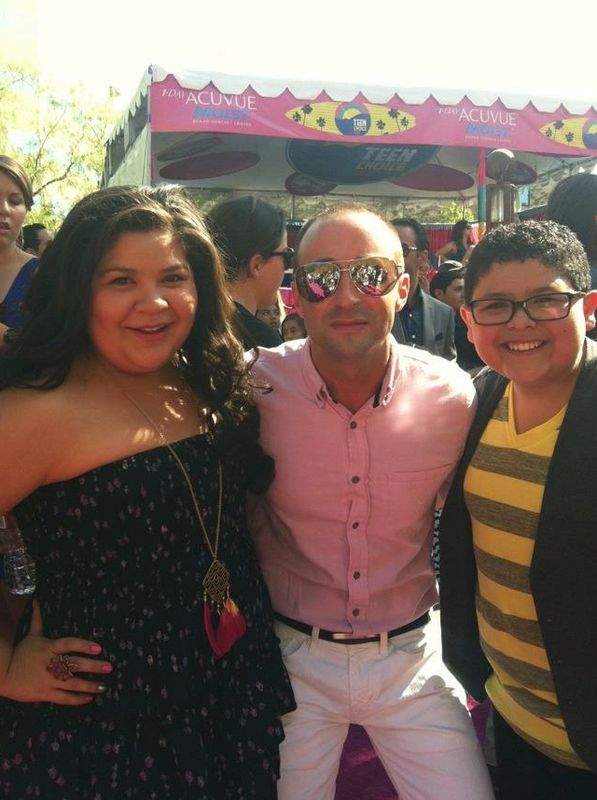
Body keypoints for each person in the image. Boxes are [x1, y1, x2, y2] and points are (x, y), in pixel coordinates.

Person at [0, 185, 294, 798]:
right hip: (108, 724)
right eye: (120, 281)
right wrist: (4, 665)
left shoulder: (206, 377)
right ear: (78, 289)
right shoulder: (35, 412)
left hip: (226, 687)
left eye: (173, 277)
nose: (154, 302)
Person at [248, 205, 494, 799]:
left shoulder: (451, 397)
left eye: (370, 274)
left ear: (403, 288)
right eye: (322, 278)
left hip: (411, 656)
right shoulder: (252, 387)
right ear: (296, 295)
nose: (346, 296)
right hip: (290, 658)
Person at [439, 221, 597, 799]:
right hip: (512, 721)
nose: (521, 323)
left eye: (546, 301)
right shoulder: (477, 401)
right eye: (496, 306)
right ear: (469, 319)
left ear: (589, 306)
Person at [206, 196, 291, 348]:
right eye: (286, 256)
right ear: (256, 265)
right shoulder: (261, 341)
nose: (287, 265)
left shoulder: (189, 322)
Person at [390, 216, 456, 359]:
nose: (392, 257)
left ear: (422, 257)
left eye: (402, 249)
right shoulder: (372, 311)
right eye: (387, 249)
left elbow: (448, 363)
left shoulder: (443, 313)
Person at [0, 156, 39, 346]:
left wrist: (6, 338)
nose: (4, 209)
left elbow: (56, 348)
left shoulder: (43, 275)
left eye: (14, 201)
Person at [430, 262, 484, 372]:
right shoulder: (430, 322)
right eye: (458, 289)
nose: (464, 294)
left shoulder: (471, 320)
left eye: (465, 289)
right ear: (439, 294)